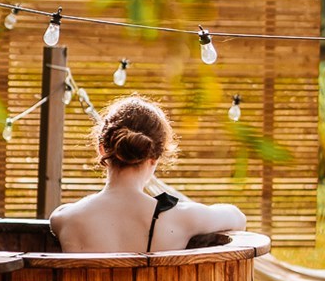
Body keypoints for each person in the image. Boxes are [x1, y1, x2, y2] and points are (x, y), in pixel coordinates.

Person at [49, 95, 247, 254]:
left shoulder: (64, 218)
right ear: (155, 157)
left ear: (101, 149)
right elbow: (238, 217)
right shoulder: (181, 218)